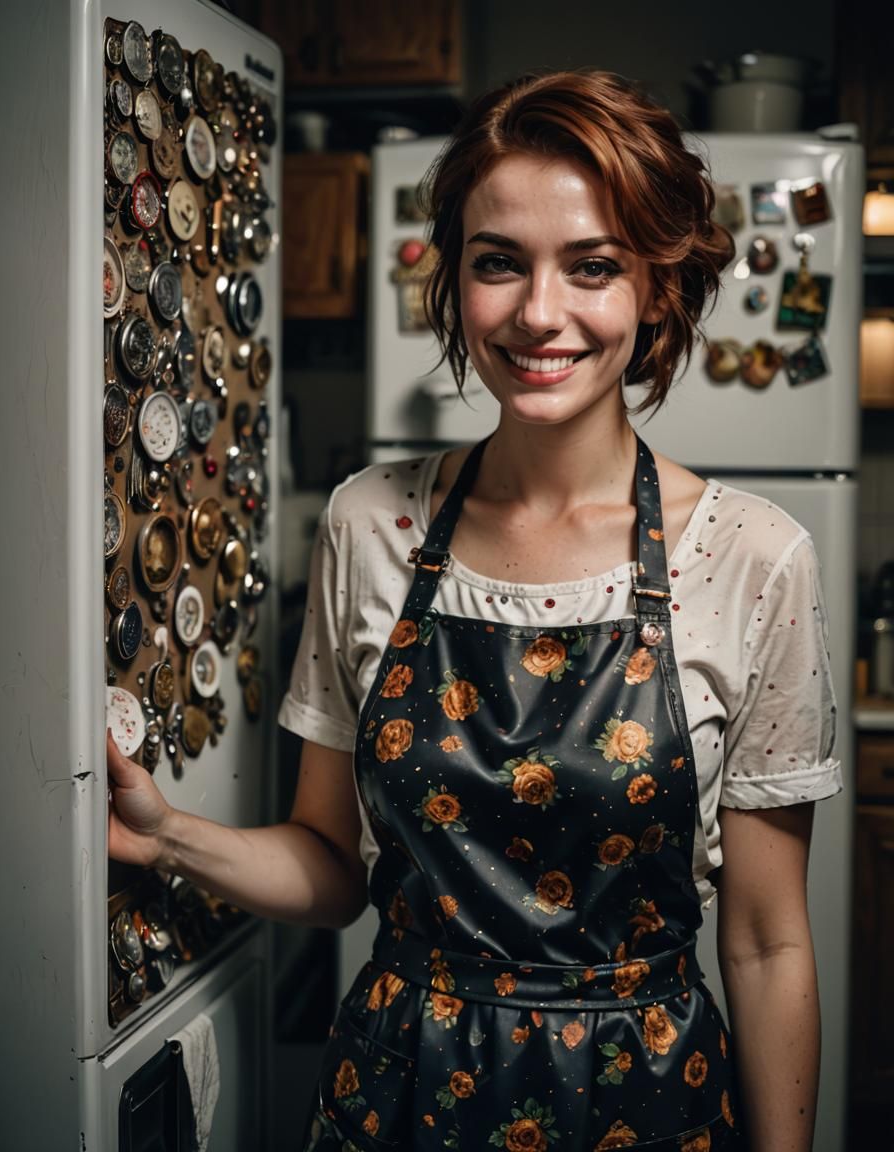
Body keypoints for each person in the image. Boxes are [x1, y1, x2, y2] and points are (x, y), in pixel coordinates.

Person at [108, 70, 841, 1152]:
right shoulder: (369, 522)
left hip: (641, 1105)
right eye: (499, 263)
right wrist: (168, 835)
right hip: (398, 1095)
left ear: (654, 288)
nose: (539, 314)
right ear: (452, 282)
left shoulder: (754, 557)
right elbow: (329, 866)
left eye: (591, 267)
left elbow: (769, 947)